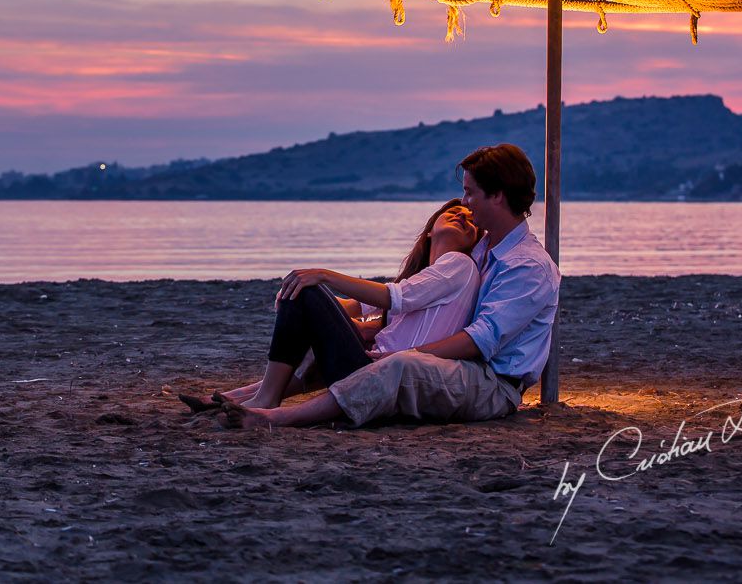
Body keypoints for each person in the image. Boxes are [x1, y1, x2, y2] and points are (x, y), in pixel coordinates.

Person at [221, 143, 559, 430]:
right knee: (325, 311)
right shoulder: (482, 250)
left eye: (470, 193)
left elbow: (480, 339)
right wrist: (323, 314)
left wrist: (407, 353)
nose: (464, 202)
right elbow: (408, 299)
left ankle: (277, 418)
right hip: (464, 368)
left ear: (497, 196)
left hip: (492, 385)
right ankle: (255, 396)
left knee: (400, 365)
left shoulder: (527, 266)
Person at [181, 199, 483, 413]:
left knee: (307, 291)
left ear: (474, 241)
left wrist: (320, 277)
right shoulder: (428, 276)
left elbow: (393, 297)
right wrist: (300, 300)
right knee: (304, 293)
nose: (463, 216)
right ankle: (234, 397)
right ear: (430, 230)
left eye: (470, 219)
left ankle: (266, 398)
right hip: (371, 363)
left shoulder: (458, 265)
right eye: (453, 212)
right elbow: (355, 305)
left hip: (381, 370)